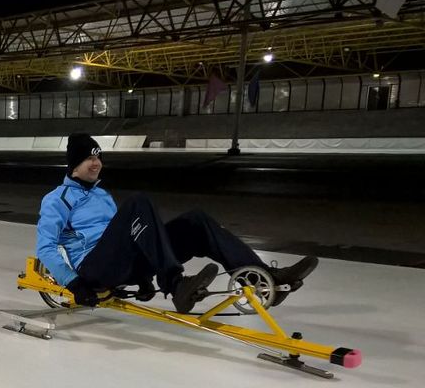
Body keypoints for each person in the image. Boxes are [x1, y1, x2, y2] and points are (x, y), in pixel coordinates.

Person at [36, 134, 319, 314]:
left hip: (121, 263)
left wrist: (141, 276)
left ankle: (262, 278)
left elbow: (127, 239)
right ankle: (175, 284)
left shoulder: (102, 195)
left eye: (98, 156)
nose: (96, 162)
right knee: (138, 203)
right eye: (88, 157)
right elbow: (46, 248)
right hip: (93, 269)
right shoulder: (57, 199)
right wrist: (74, 283)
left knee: (196, 221)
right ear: (74, 164)